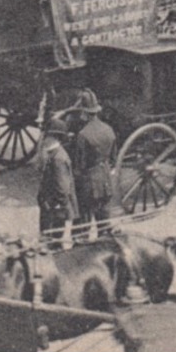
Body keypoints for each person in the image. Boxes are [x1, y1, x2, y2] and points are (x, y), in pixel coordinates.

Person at [66, 90, 116, 240]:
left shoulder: (83, 135)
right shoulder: (109, 129)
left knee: (82, 229)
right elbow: (113, 157)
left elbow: (79, 167)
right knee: (105, 227)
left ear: (83, 113)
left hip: (88, 187)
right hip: (106, 184)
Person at [37, 118, 79, 246]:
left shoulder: (58, 159)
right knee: (48, 240)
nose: (44, 138)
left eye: (47, 135)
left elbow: (63, 188)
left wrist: (59, 207)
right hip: (51, 208)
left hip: (55, 210)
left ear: (55, 137)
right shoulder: (53, 154)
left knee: (52, 242)